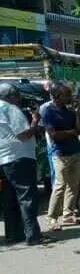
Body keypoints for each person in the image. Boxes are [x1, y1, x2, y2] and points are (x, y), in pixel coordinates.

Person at [0, 84, 42, 245]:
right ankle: (33, 235)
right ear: (11, 96)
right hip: (19, 157)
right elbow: (23, 134)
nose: (19, 99)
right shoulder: (10, 109)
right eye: (17, 96)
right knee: (27, 197)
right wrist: (35, 121)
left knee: (9, 199)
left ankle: (13, 234)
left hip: (4, 159)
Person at [41, 83, 80, 231]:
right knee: (60, 186)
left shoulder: (69, 111)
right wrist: (71, 132)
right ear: (57, 96)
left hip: (75, 152)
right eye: (67, 95)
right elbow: (54, 135)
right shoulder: (48, 111)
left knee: (73, 185)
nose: (70, 97)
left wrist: (77, 113)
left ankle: (68, 213)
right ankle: (52, 217)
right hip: (60, 154)